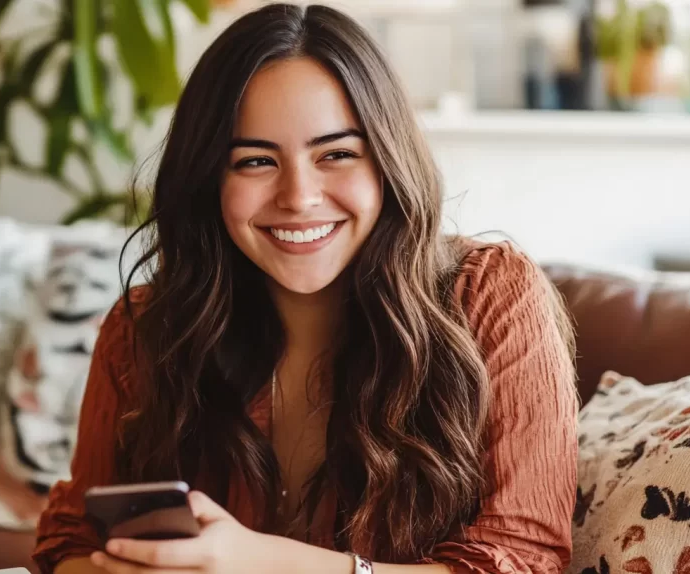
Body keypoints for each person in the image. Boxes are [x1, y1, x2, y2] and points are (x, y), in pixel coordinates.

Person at [34, 3, 578, 573]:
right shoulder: (145, 330)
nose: (298, 196)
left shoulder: (492, 296)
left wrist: (265, 563)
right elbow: (67, 542)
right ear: (208, 179)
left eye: (337, 154)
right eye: (255, 161)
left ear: (389, 162)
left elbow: (522, 561)